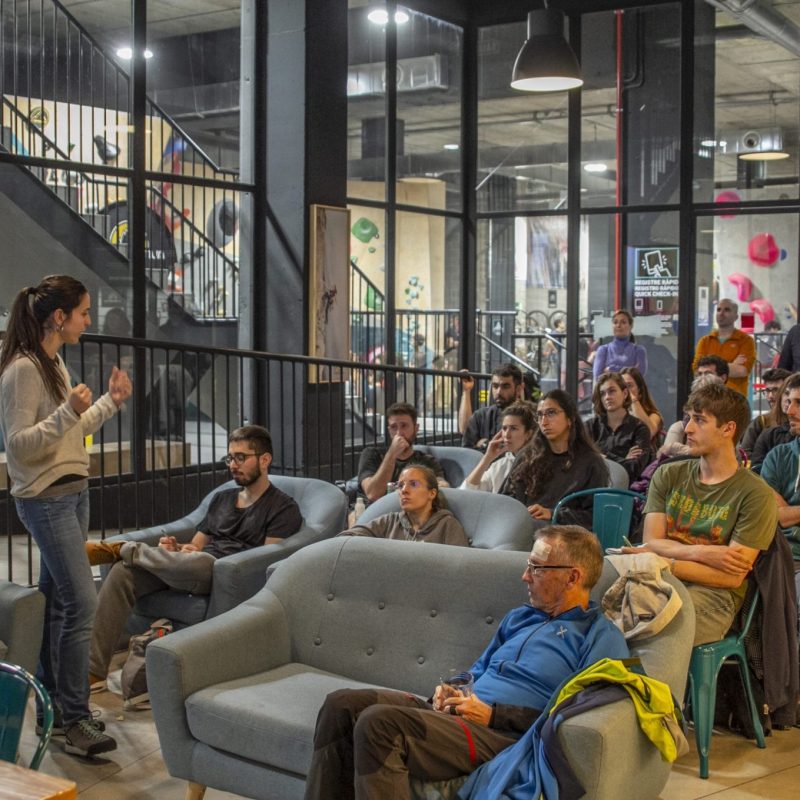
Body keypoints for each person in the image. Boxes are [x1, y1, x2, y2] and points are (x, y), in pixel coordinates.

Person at [302, 525, 629, 800]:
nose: (525, 576)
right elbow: (478, 670)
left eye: (536, 568)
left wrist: (494, 715)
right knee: (341, 704)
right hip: (459, 717)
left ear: (572, 578)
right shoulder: (519, 618)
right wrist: (450, 690)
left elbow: (574, 713)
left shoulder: (596, 636)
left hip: (501, 735)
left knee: (379, 724)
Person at [0, 275, 132, 757]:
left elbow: (66, 433)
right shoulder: (22, 370)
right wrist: (67, 412)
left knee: (59, 603)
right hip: (47, 499)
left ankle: (55, 710)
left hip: (73, 493)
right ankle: (74, 718)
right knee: (82, 604)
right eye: (83, 312)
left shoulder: (51, 360)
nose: (88, 320)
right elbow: (17, 445)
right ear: (59, 317)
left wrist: (107, 404)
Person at [87, 425, 302, 689]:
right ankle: (92, 672)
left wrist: (197, 557)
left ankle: (123, 549)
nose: (233, 465)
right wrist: (177, 549)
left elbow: (268, 560)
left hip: (223, 574)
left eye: (241, 457)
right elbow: (197, 546)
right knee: (124, 573)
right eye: (230, 458)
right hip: (191, 568)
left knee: (205, 562)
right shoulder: (222, 499)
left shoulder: (283, 507)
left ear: (264, 460)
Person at [626, 383, 777, 645]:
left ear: (728, 429)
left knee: (649, 624)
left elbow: (730, 575)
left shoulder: (755, 494)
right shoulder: (669, 474)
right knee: (593, 602)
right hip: (658, 579)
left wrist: (664, 559)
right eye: (688, 419)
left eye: (699, 420)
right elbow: (651, 541)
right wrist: (702, 552)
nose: (687, 429)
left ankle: (651, 687)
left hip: (716, 597)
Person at [505, 390, 609, 528]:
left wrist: (554, 514)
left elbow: (595, 516)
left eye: (551, 413)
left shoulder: (591, 463)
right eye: (540, 415)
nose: (544, 421)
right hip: (522, 528)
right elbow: (505, 500)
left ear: (570, 419)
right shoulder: (527, 456)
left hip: (564, 536)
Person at [340, 465, 468, 546]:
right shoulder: (390, 521)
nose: (404, 490)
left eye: (413, 484)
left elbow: (461, 568)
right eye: (401, 485)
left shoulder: (447, 525)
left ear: (432, 493)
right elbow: (345, 538)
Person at [357, 402, 446, 503]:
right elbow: (373, 494)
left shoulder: (427, 461)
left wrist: (442, 485)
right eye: (394, 427)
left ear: (416, 428)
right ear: (389, 430)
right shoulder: (371, 454)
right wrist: (391, 454)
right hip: (371, 513)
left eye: (404, 426)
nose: (399, 433)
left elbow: (442, 487)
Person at [585, 373, 652, 482]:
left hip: (625, 490)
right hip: (593, 487)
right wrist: (623, 460)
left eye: (612, 391)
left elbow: (634, 468)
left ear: (625, 393)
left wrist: (602, 456)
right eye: (602, 394)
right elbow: (584, 464)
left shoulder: (640, 428)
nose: (607, 397)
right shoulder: (590, 426)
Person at [461, 401, 536, 493]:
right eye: (504, 428)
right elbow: (466, 492)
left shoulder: (538, 464)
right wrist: (487, 458)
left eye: (513, 428)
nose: (507, 435)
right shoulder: (500, 465)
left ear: (528, 434)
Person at [692, 298, 756, 396]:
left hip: (734, 399)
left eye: (727, 310)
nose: (721, 313)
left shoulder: (746, 341)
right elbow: (697, 371)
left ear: (736, 316)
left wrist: (710, 370)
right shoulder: (705, 341)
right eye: (718, 310)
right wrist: (732, 364)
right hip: (708, 397)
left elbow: (742, 371)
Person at [459, 363, 523, 451]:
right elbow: (467, 449)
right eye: (495, 386)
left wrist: (484, 444)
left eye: (505, 386)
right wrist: (466, 391)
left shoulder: (527, 417)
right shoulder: (481, 415)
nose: (499, 392)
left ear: (518, 389)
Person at [740, 367, 791, 457]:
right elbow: (745, 453)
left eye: (776, 390)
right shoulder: (761, 422)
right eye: (767, 391)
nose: (770, 396)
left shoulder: (796, 420)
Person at [750, 374, 795, 469]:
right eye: (786, 393)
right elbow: (753, 463)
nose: (770, 396)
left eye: (775, 390)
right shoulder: (767, 432)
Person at [591, 309, 647, 380]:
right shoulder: (603, 350)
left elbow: (638, 377)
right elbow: (598, 377)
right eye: (615, 322)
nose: (618, 325)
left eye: (623, 322)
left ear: (631, 326)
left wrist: (611, 368)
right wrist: (630, 370)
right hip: (609, 391)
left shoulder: (639, 351)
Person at [620, 366, 663, 442]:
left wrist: (633, 400)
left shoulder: (654, 415)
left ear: (640, 390)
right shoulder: (615, 414)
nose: (625, 390)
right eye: (622, 386)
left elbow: (648, 432)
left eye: (629, 386)